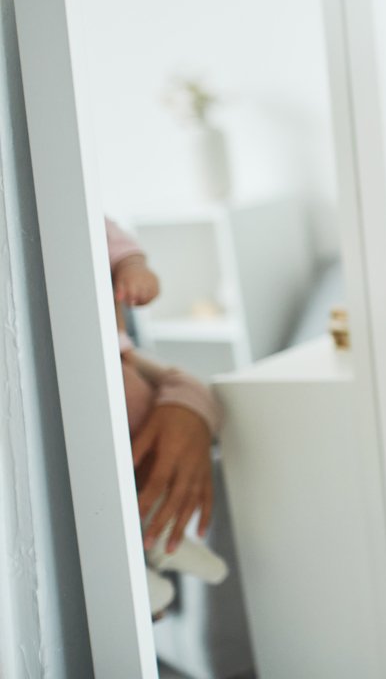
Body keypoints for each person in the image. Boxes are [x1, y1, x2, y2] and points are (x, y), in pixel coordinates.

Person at [107, 218, 228, 616]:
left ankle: (165, 544)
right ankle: (138, 574)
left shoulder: (80, 215)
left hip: (121, 368)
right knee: (111, 495)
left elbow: (125, 250)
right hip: (106, 410)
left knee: (149, 479)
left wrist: (135, 272)